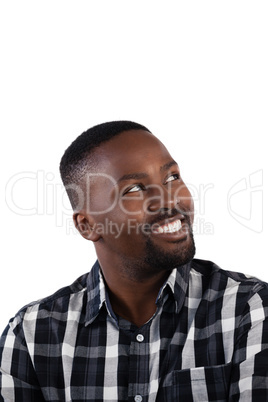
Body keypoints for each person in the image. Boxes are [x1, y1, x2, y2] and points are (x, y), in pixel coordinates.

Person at [0, 121, 267, 401]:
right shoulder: (31, 336)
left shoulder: (249, 310)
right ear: (87, 225)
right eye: (134, 189)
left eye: (172, 177)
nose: (168, 199)